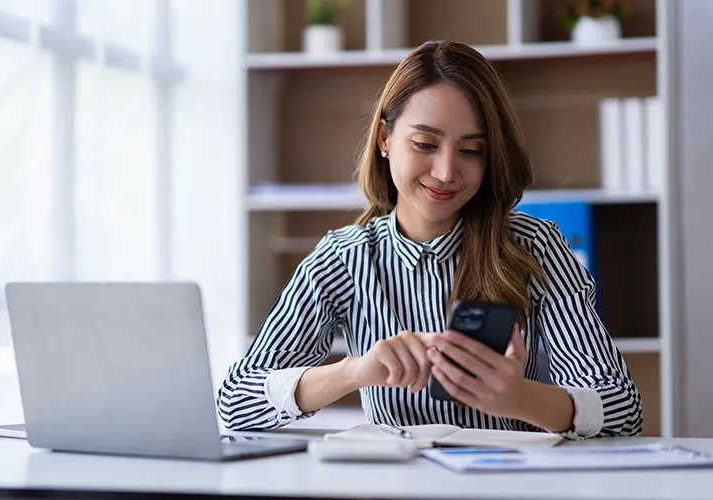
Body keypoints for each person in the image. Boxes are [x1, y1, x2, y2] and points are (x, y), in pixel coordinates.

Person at [217, 39, 642, 439]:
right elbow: (234, 403)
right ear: (385, 138)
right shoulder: (343, 259)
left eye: (471, 151)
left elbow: (623, 409)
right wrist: (352, 372)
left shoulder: (535, 246)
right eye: (424, 143)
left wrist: (522, 399)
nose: (445, 172)